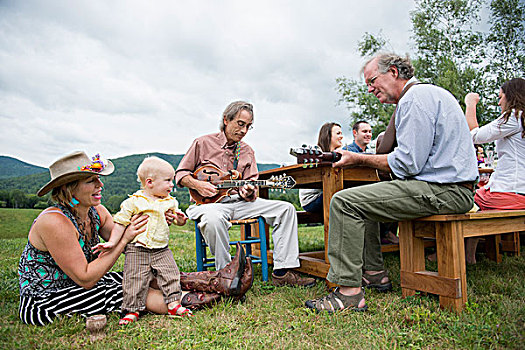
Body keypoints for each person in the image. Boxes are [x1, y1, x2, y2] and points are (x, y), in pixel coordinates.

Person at [305, 53, 478, 313]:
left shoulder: (415, 99)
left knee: (343, 201)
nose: (370, 88)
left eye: (373, 81)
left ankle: (348, 293)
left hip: (447, 191)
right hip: (452, 188)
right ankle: (374, 273)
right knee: (366, 198)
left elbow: (409, 164)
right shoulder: (431, 93)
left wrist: (359, 158)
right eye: (367, 85)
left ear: (394, 72)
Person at [18, 151, 253, 326]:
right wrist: (125, 239)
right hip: (47, 299)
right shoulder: (54, 222)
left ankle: (219, 281)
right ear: (70, 187)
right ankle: (207, 298)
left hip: (78, 285)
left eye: (98, 178)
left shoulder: (95, 211)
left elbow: (133, 235)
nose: (100, 185)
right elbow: (86, 278)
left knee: (145, 274)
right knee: (121, 290)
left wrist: (160, 218)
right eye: (91, 180)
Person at [176, 101, 316, 287]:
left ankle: (283, 272)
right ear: (226, 120)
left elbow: (252, 188)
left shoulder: (247, 151)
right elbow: (180, 175)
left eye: (248, 127)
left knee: (286, 209)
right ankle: (226, 274)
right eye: (240, 124)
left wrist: (248, 191)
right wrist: (197, 185)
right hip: (208, 205)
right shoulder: (202, 143)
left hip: (239, 203)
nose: (243, 131)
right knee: (213, 219)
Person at [93, 156, 192, 324]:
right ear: (150, 182)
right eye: (168, 180)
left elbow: (176, 220)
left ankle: (174, 303)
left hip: (161, 249)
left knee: (170, 273)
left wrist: (181, 220)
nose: (171, 185)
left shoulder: (169, 202)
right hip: (137, 249)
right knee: (134, 278)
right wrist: (112, 242)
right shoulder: (133, 202)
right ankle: (132, 310)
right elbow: (120, 223)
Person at [463, 78, 525, 264]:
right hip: (518, 191)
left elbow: (473, 136)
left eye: (500, 97)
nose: (499, 102)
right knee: (477, 196)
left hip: (512, 193)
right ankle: (470, 255)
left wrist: (470, 103)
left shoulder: (514, 117)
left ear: (511, 97)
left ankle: (460, 254)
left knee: (466, 199)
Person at [299, 122, 343, 213]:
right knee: (345, 196)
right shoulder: (317, 153)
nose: (342, 136)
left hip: (328, 191)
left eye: (341, 133)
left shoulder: (337, 154)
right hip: (312, 200)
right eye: (338, 133)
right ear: (328, 136)